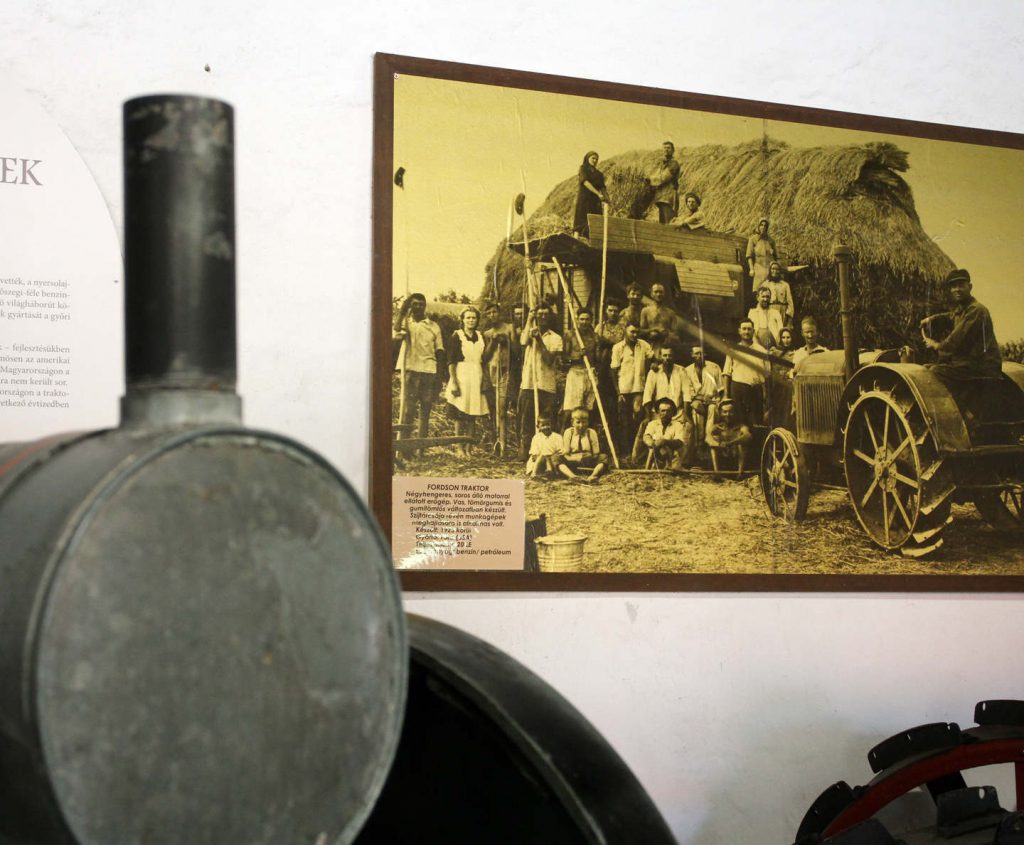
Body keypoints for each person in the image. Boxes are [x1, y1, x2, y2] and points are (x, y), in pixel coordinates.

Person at [921, 268, 1002, 380]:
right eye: (954, 286)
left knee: (936, 371)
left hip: (983, 367)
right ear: (950, 290)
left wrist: (936, 345)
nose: (957, 290)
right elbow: (950, 316)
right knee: (926, 368)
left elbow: (956, 339)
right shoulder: (963, 309)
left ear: (970, 287)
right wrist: (931, 319)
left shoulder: (976, 310)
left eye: (961, 286)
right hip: (970, 364)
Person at [393, 292, 444, 442]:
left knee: (425, 410)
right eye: (414, 304)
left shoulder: (433, 326)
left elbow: (440, 350)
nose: (418, 307)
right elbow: (396, 329)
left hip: (429, 371)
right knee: (408, 410)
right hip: (410, 370)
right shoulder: (406, 324)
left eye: (421, 304)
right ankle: (405, 445)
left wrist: (439, 376)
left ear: (425, 306)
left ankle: (421, 447)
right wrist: (403, 311)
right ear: (410, 306)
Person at [518, 304, 563, 459]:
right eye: (539, 314)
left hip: (547, 385)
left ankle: (549, 452)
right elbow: (523, 342)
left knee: (548, 421)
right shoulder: (530, 332)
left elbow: (549, 360)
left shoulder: (556, 338)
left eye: (545, 314)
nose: (543, 317)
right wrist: (529, 320)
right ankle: (527, 453)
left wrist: (539, 340)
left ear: (550, 317)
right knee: (526, 421)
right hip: (529, 383)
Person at [445, 306, 489, 455]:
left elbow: (484, 359)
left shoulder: (480, 336)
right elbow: (451, 362)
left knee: (472, 414)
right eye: (468, 317)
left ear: (477, 320)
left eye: (474, 317)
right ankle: (459, 448)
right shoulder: (457, 336)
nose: (471, 320)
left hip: (476, 376)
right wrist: (454, 382)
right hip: (462, 375)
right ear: (462, 320)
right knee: (459, 413)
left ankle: (469, 449)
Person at [611, 323, 653, 459]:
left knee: (638, 418)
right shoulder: (618, 348)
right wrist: (618, 393)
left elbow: (651, 360)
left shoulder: (644, 345)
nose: (635, 335)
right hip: (624, 389)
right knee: (624, 421)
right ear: (625, 331)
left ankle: (637, 452)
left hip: (639, 388)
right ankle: (625, 452)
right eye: (632, 332)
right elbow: (613, 371)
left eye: (637, 332)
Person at [481, 301, 517, 446]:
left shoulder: (509, 328)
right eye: (489, 313)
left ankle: (503, 442)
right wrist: (493, 342)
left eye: (494, 312)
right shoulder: (487, 333)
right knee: (492, 408)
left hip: (505, 371)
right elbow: (485, 357)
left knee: (502, 410)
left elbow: (516, 352)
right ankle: (494, 439)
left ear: (499, 313)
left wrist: (506, 340)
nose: (492, 315)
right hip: (491, 373)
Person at [723, 319, 769, 427]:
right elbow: (727, 373)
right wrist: (726, 395)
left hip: (756, 391)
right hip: (738, 390)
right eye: (744, 329)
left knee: (757, 423)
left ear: (753, 331)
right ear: (739, 331)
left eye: (749, 329)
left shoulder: (762, 351)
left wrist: (766, 394)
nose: (746, 332)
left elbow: (767, 375)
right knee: (740, 424)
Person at [561, 308, 599, 430]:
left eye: (587, 319)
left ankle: (585, 436)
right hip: (575, 373)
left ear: (591, 320)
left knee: (588, 409)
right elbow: (564, 358)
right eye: (582, 319)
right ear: (577, 319)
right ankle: (565, 435)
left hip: (590, 373)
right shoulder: (570, 335)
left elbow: (596, 358)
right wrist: (578, 357)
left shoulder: (594, 336)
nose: (584, 322)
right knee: (571, 409)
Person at [684, 345, 722, 447]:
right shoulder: (687, 370)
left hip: (713, 400)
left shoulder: (714, 367)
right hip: (697, 400)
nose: (699, 356)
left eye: (701, 353)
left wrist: (713, 399)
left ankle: (710, 440)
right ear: (692, 355)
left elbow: (721, 388)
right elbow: (689, 391)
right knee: (696, 409)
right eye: (696, 353)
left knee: (712, 409)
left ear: (705, 354)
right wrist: (701, 398)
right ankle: (699, 443)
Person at [559, 408, 609, 481]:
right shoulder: (568, 432)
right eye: (578, 422)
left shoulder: (591, 432)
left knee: (603, 457)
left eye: (584, 422)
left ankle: (593, 475)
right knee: (556, 457)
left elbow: (596, 452)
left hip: (588, 461)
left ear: (588, 422)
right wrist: (573, 458)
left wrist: (588, 457)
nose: (581, 425)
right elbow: (566, 453)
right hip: (573, 461)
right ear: (572, 422)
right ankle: (573, 476)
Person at [706, 398, 753, 474]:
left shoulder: (741, 426)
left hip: (736, 459)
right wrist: (719, 444)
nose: (728, 415)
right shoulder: (717, 427)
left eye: (731, 412)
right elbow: (708, 438)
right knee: (713, 442)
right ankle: (716, 472)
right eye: (725, 412)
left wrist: (730, 443)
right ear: (721, 413)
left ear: (735, 413)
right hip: (723, 459)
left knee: (742, 443)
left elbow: (748, 436)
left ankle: (740, 472)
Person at [643, 398, 689, 469]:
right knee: (653, 448)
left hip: (672, 459)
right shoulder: (652, 424)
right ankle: (648, 470)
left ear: (673, 413)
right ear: (658, 412)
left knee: (665, 447)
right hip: (656, 457)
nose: (665, 413)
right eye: (663, 411)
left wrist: (664, 442)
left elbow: (680, 442)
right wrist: (654, 444)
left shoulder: (678, 425)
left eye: (668, 411)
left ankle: (669, 467)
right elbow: (646, 437)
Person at [572, 151, 610, 238]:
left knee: (594, 222)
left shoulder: (599, 174)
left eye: (596, 159)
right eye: (593, 158)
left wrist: (607, 199)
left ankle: (591, 242)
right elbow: (585, 182)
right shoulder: (583, 169)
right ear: (587, 158)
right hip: (584, 199)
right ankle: (575, 240)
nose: (595, 160)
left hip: (594, 201)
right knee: (580, 220)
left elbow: (602, 188)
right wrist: (598, 193)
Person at [639, 282, 685, 349]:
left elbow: (676, 334)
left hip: (666, 347)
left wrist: (666, 333)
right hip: (650, 345)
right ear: (651, 294)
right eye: (656, 292)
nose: (658, 294)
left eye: (661, 292)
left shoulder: (671, 313)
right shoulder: (645, 311)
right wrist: (652, 330)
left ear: (664, 294)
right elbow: (641, 331)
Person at [642, 343, 687, 411]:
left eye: (670, 355)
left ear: (674, 356)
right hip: (659, 412)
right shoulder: (653, 372)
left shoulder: (681, 371)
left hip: (677, 411)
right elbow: (647, 395)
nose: (667, 358)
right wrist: (648, 415)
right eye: (665, 355)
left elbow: (687, 395)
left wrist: (686, 413)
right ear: (660, 357)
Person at [646, 141, 680, 223]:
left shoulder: (674, 164)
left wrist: (649, 180)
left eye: (668, 148)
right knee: (662, 223)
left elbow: (663, 178)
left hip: (669, 197)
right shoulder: (662, 164)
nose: (666, 150)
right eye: (664, 148)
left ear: (673, 150)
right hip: (661, 198)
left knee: (669, 222)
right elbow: (656, 175)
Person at [746, 218, 778, 293]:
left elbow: (775, 256)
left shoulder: (771, 241)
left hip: (769, 269)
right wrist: (751, 269)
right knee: (759, 290)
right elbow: (749, 256)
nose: (763, 227)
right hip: (758, 268)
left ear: (767, 228)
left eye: (765, 226)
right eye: (761, 225)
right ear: (758, 226)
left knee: (770, 290)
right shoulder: (753, 239)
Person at [748, 285, 783, 350]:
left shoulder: (776, 313)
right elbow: (752, 334)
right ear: (757, 297)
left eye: (767, 297)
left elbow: (781, 332)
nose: (765, 299)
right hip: (757, 348)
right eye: (763, 296)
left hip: (774, 347)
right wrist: (759, 349)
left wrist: (777, 346)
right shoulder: (752, 313)